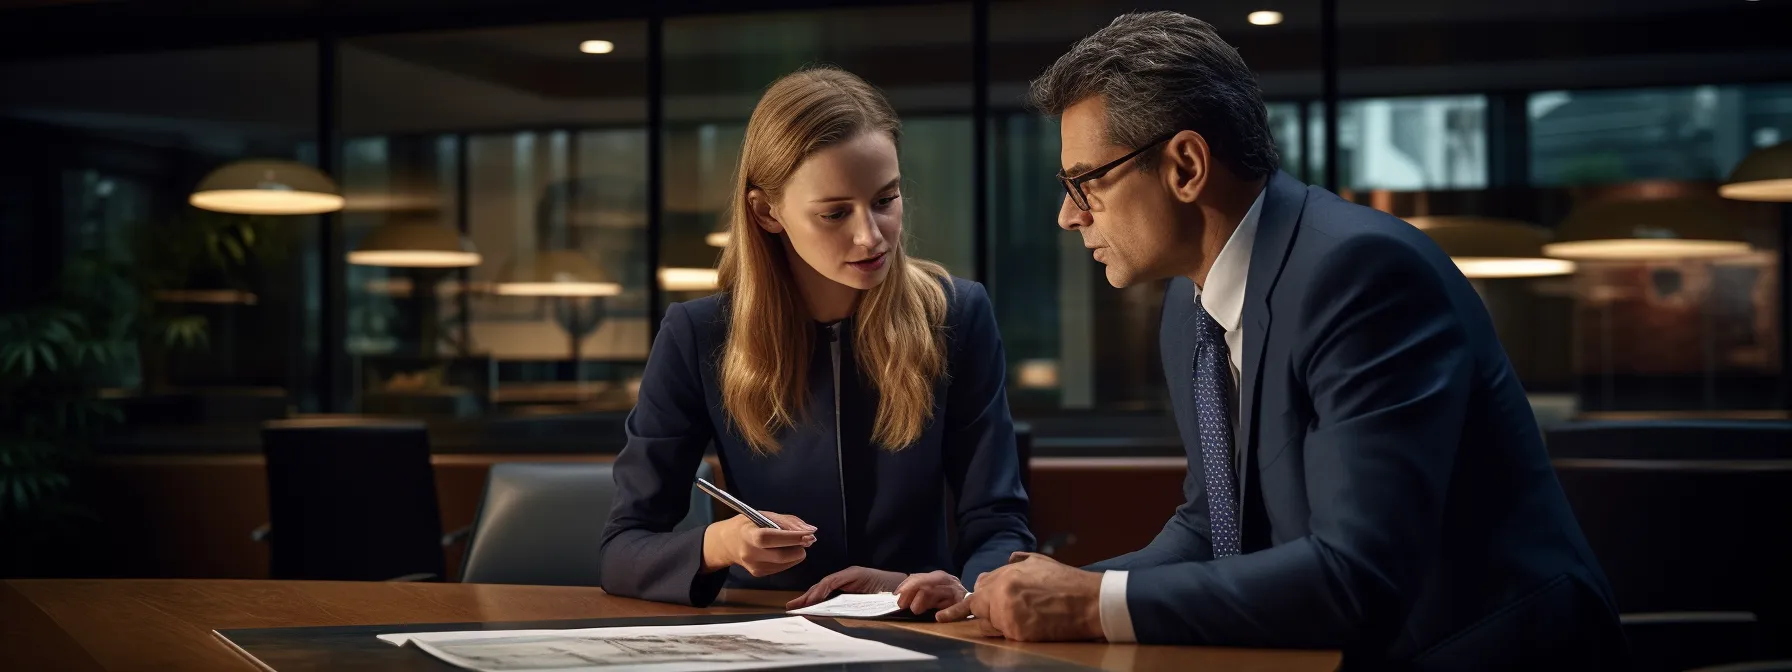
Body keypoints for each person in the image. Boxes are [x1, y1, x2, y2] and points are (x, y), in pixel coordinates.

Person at [937, 12, 1626, 669]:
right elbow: (1211, 528)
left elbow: (1361, 575)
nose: (1068, 215)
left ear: (1185, 165)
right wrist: (1007, 599)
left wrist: (1091, 603)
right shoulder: (1190, 302)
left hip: (1480, 649)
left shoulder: (1360, 274)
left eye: (1086, 181)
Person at [599, 67, 1034, 614]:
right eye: (834, 213)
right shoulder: (698, 334)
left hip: (920, 630)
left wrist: (966, 591)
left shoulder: (956, 314)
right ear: (766, 212)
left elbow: (998, 522)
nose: (870, 236)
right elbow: (622, 550)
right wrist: (723, 543)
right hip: (760, 630)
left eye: (885, 199)